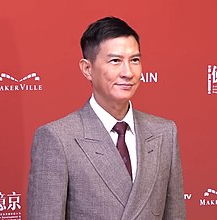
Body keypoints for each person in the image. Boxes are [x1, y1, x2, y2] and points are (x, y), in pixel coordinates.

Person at [27, 16, 186, 219]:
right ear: (87, 69)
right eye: (115, 61)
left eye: (135, 60)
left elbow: (175, 214)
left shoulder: (164, 132)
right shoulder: (57, 138)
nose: (128, 72)